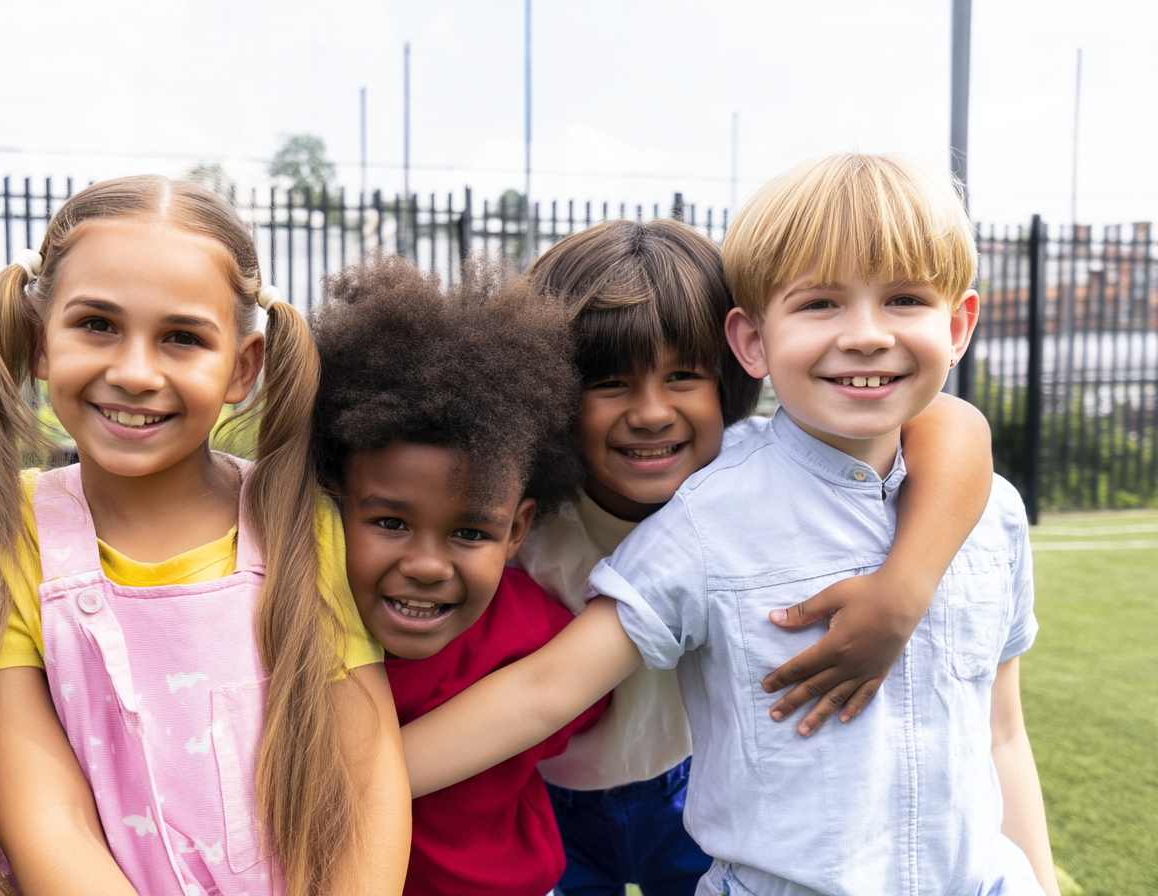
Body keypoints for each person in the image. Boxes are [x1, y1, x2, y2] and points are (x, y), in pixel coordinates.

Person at [401, 154, 1059, 896]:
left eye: (905, 298)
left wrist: (905, 588)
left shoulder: (985, 509)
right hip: (565, 800)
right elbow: (540, 692)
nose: (868, 334)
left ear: (960, 323)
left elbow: (1001, 729)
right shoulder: (679, 518)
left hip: (701, 795)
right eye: (821, 304)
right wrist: (345, 782)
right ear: (752, 341)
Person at [0, 176, 409, 896]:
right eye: (96, 325)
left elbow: (368, 782)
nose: (136, 372)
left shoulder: (300, 526)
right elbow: (48, 818)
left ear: (243, 367)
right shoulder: (2, 533)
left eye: (181, 338)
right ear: (39, 343)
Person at [506, 217, 998, 895]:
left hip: (689, 787)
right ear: (551, 389)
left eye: (684, 374)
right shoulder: (516, 520)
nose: (651, 412)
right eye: (610, 382)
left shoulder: (753, 484)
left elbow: (950, 419)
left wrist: (903, 589)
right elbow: (533, 693)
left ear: (739, 362)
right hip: (545, 798)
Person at [309, 255, 608, 896]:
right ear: (335, 499)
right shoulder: (295, 624)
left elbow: (585, 709)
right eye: (390, 522)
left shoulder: (542, 632)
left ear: (518, 530)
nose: (424, 566)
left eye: (470, 533)